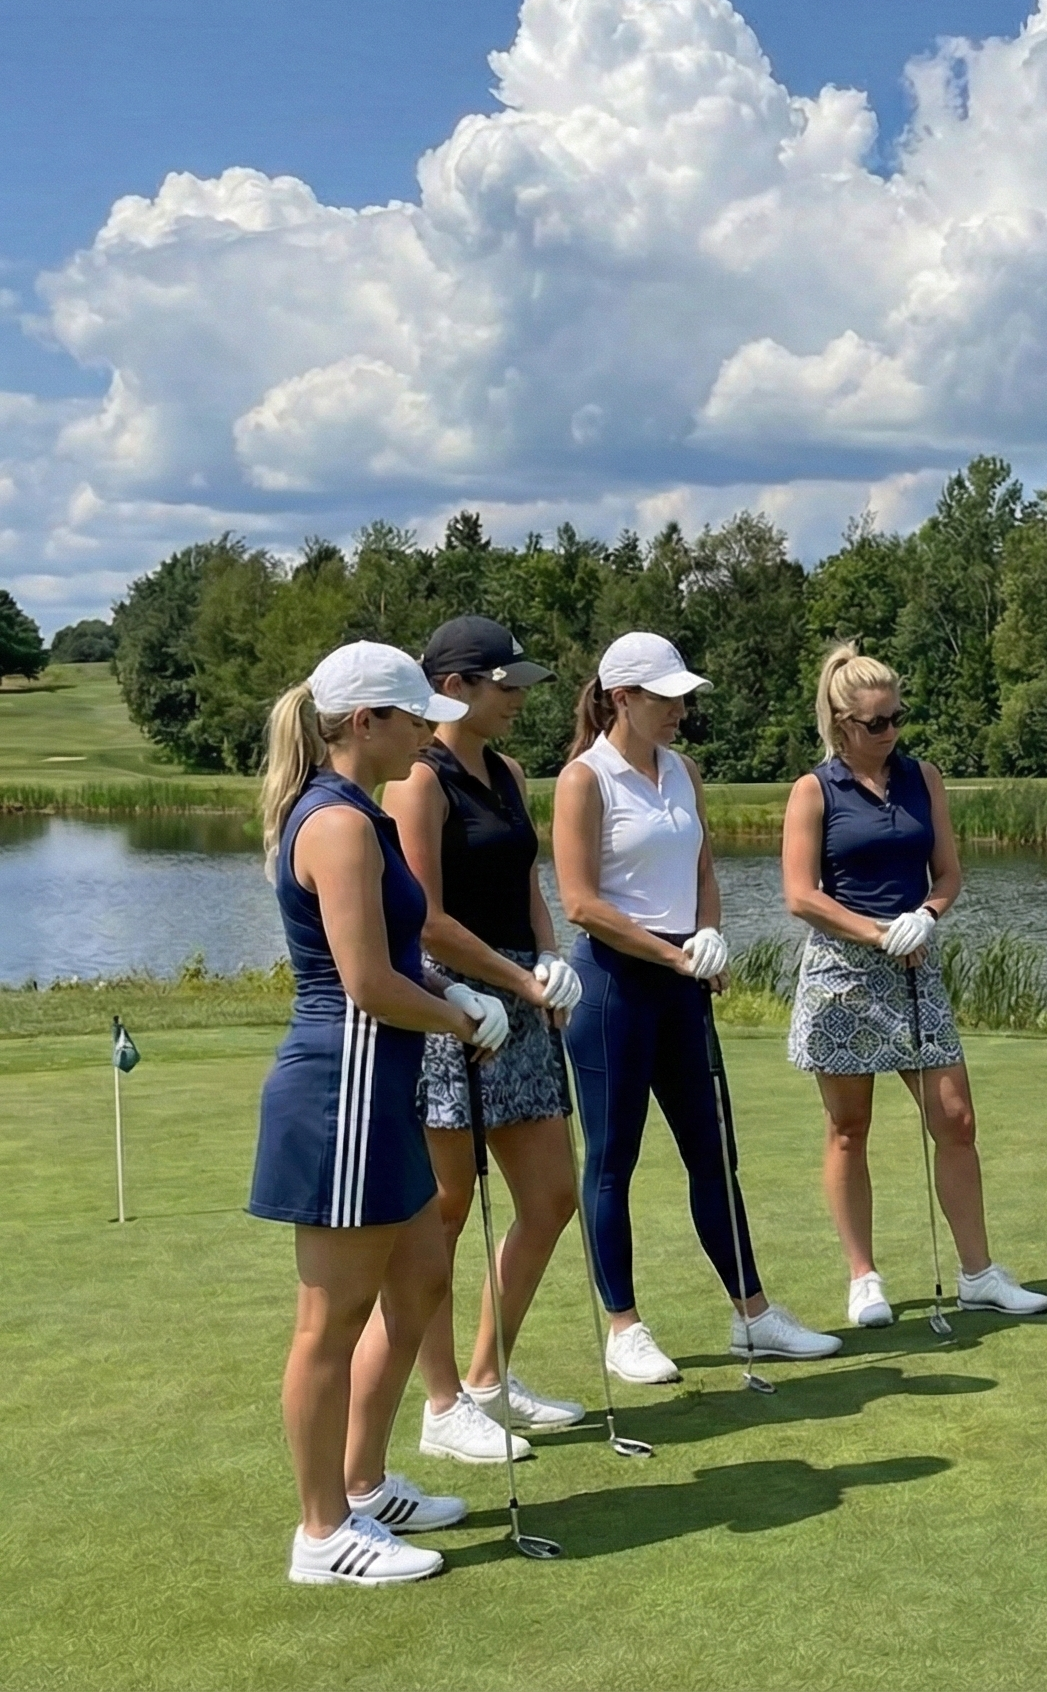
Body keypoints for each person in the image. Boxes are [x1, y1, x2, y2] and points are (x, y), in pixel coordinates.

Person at [251, 641, 509, 1586]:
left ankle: (361, 1484)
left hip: (375, 1086)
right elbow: (365, 984)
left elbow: (396, 952)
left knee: (421, 1280)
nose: (425, 735)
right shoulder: (340, 824)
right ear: (366, 723)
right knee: (331, 1317)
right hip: (341, 1092)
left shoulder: (355, 812)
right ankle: (322, 1535)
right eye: (412, 719)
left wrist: (448, 990)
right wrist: (460, 1016)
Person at [555, 630, 837, 1383]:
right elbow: (581, 903)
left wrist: (708, 933)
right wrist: (676, 953)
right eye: (667, 698)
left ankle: (754, 1316)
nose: (681, 710)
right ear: (623, 699)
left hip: (682, 985)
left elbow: (703, 864)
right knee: (614, 1162)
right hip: (614, 988)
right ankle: (624, 1327)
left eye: (684, 698)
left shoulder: (683, 770)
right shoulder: (586, 780)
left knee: (713, 1155)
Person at [783, 643, 1047, 1326]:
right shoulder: (815, 790)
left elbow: (949, 874)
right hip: (844, 971)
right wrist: (874, 933)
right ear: (843, 724)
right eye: (877, 723)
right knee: (849, 1127)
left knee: (955, 1118)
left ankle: (978, 1274)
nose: (891, 732)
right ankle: (863, 1277)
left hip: (914, 963)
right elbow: (800, 895)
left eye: (898, 717)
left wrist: (925, 917)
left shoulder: (922, 777)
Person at [383, 616, 584, 1465]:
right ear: (456, 687)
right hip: (453, 1002)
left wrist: (549, 957)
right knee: (446, 1214)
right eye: (507, 686)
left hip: (517, 992)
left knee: (550, 1199)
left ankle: (489, 1377)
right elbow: (424, 920)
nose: (519, 701)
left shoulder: (506, 773)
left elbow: (527, 879)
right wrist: (514, 981)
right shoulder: (419, 783)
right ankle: (441, 1405)